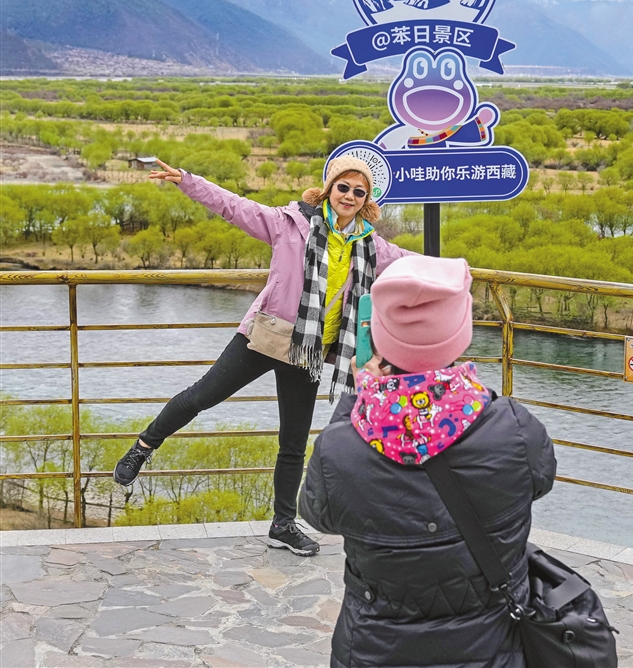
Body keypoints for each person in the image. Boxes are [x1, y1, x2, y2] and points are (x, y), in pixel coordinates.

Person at [112, 154, 412, 556]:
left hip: (307, 351)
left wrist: (461, 271)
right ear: (329, 189)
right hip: (267, 335)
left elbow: (412, 264)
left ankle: (283, 525)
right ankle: (144, 446)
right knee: (202, 396)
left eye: (359, 192)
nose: (350, 196)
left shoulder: (369, 244)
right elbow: (232, 206)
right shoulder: (289, 223)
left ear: (366, 199)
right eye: (343, 187)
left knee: (294, 443)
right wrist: (186, 179)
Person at [299, 255, 556, 667]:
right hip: (492, 650)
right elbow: (540, 482)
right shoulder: (516, 429)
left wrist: (360, 400)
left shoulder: (340, 448)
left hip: (375, 651)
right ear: (461, 332)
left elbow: (318, 513)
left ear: (377, 336)